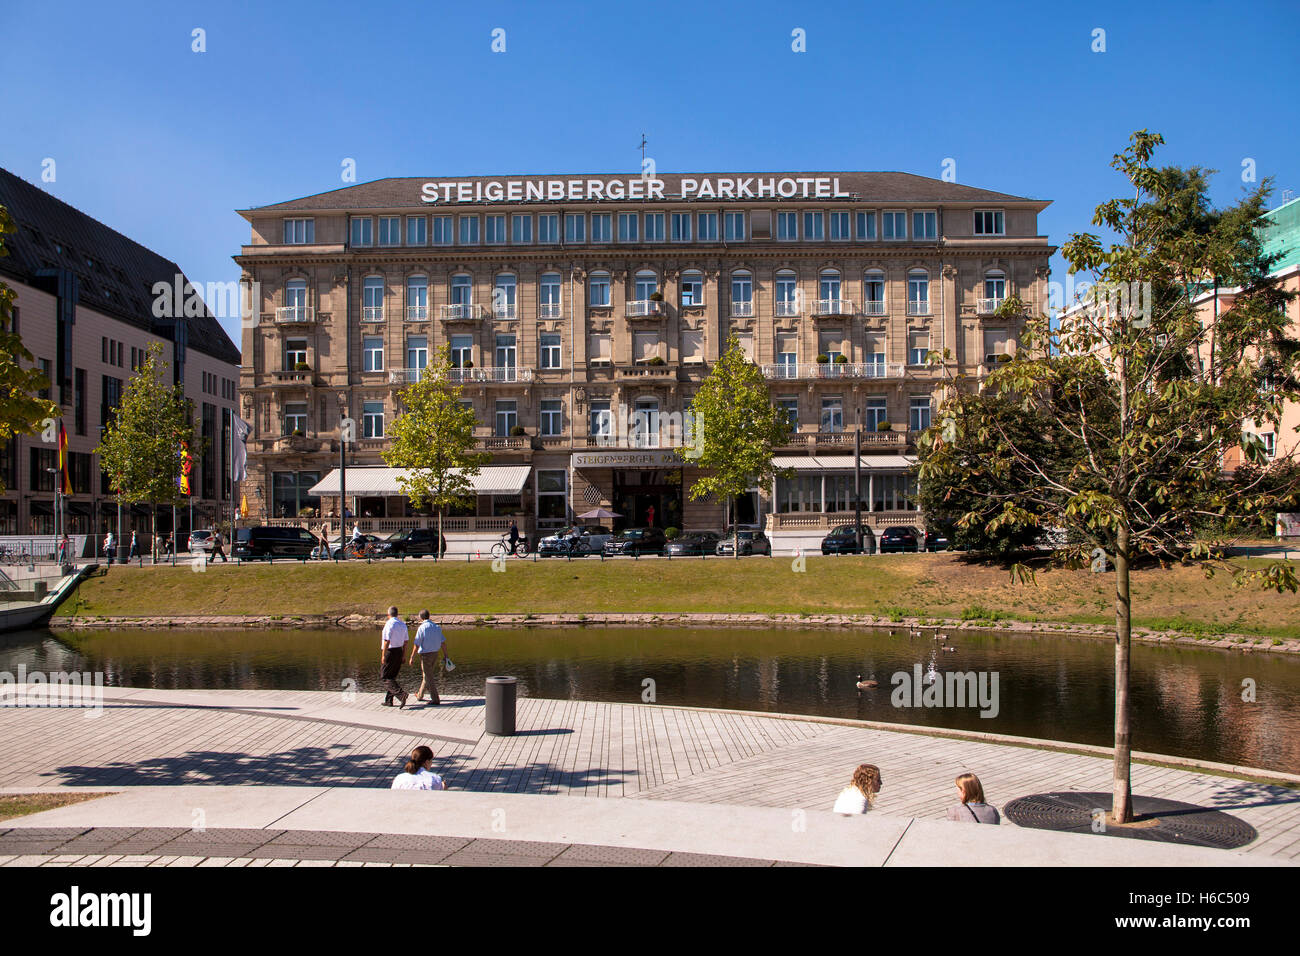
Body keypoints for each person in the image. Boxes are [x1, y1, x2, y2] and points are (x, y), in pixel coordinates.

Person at [409, 610, 448, 705]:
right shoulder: (436, 627)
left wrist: (412, 657)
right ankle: (420, 695)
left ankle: (435, 699)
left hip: (425, 655)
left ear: (421, 617)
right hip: (435, 654)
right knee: (427, 675)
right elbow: (442, 642)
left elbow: (416, 644)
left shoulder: (422, 628)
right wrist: (446, 655)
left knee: (428, 677)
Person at [380, 606, 409, 707]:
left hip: (390, 651)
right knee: (392, 677)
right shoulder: (402, 624)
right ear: (397, 614)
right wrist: (404, 655)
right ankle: (389, 700)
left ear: (388, 615)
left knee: (384, 677)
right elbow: (406, 642)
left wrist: (383, 655)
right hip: (399, 651)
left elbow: (387, 641)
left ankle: (401, 694)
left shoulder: (389, 624)